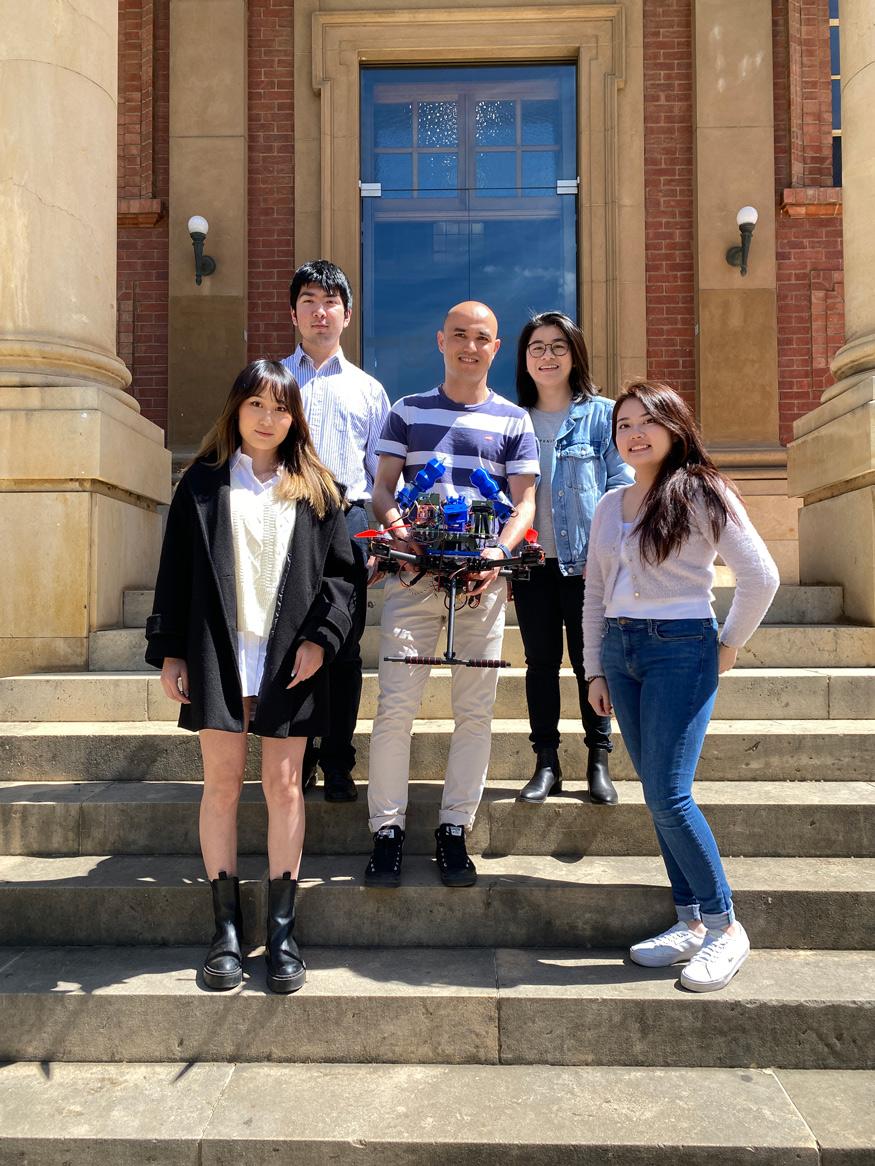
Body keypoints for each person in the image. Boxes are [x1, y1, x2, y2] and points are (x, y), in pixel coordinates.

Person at [145, 360, 356, 994]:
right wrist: (173, 651)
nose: (268, 418)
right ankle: (227, 932)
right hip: (220, 650)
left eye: (281, 408)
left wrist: (323, 639)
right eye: (257, 405)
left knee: (286, 786)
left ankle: (284, 930)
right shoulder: (202, 485)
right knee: (222, 786)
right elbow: (175, 573)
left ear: (295, 418)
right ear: (236, 409)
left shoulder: (319, 488)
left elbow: (344, 579)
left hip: (290, 657)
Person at [583, 380, 779, 992]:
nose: (634, 433)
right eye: (623, 425)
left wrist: (727, 646)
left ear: (675, 427)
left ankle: (725, 926)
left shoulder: (700, 491)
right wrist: (593, 666)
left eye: (647, 421)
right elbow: (594, 591)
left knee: (670, 794)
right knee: (657, 794)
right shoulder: (609, 504)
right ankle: (690, 920)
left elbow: (761, 576)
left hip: (681, 649)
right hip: (622, 650)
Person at [365, 301, 539, 889]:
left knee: (475, 712)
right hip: (413, 581)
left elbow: (525, 504)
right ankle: (386, 830)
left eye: (482, 338)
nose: (470, 345)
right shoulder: (405, 411)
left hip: (481, 587)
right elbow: (382, 491)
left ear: (496, 347)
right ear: (441, 340)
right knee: (395, 709)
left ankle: (453, 829)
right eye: (460, 335)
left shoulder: (515, 420)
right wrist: (402, 535)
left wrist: (497, 553)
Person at [512, 312, 633, 806]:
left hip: (589, 566)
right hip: (530, 564)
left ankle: (598, 761)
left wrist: (615, 553)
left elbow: (623, 484)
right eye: (537, 347)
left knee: (592, 664)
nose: (547, 356)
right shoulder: (511, 417)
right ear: (524, 358)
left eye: (558, 346)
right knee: (541, 664)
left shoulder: (603, 415)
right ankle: (546, 763)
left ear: (575, 354)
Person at [281, 259, 390, 803]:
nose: (319, 311)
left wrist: (373, 538)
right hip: (284, 518)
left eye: (330, 302)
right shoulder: (273, 380)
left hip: (347, 519)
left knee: (343, 645)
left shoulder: (369, 391)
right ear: (294, 312)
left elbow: (380, 475)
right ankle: (296, 755)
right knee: (290, 641)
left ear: (346, 314)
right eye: (308, 301)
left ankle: (339, 761)